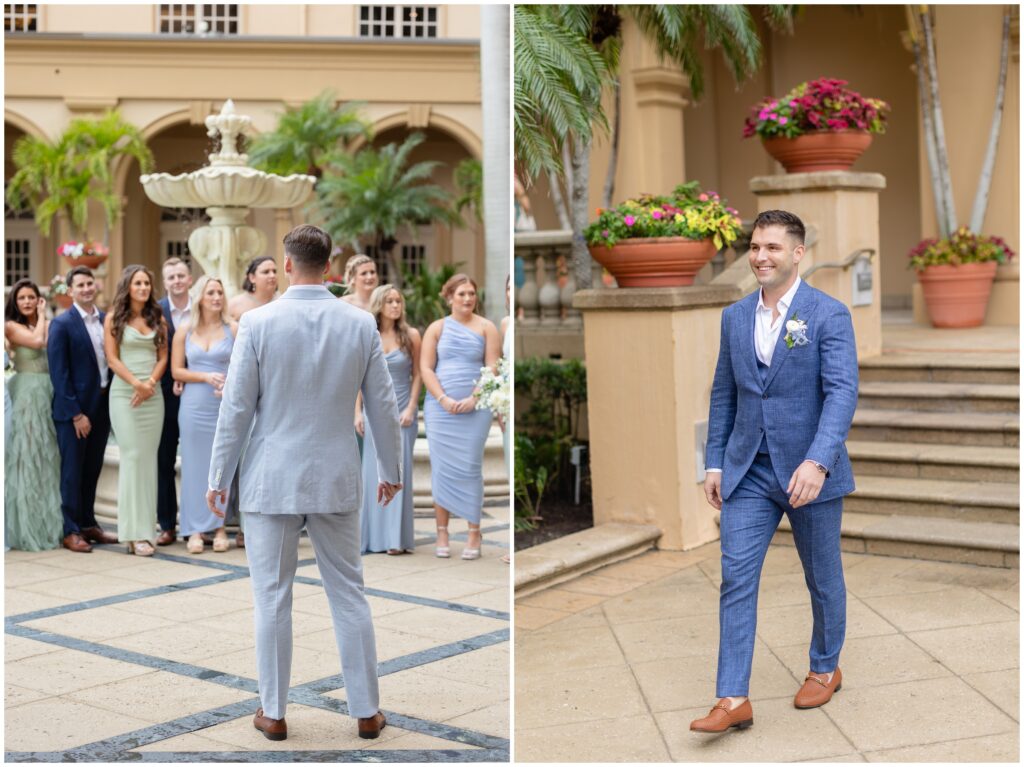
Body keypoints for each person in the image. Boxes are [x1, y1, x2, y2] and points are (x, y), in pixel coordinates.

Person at [206, 224, 402, 742]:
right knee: (350, 594)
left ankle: (273, 712)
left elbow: (236, 409)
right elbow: (383, 405)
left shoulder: (258, 322)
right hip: (336, 475)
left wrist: (217, 475)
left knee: (270, 596)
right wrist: (392, 470)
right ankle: (365, 711)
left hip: (272, 477)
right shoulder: (359, 324)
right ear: (330, 265)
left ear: (287, 265)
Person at [690, 210, 858, 734]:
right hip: (748, 471)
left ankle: (825, 666)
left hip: (809, 473)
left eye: (772, 248)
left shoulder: (827, 314)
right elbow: (724, 392)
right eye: (755, 246)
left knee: (821, 577)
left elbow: (841, 393)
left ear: (798, 253)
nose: (760, 256)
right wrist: (714, 461)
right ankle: (732, 697)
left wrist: (818, 461)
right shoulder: (735, 316)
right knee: (735, 578)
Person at [420, 274, 500, 560]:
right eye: (461, 294)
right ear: (450, 296)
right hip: (440, 409)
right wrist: (443, 398)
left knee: (470, 468)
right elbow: (426, 368)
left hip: (474, 408)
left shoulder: (487, 327)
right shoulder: (436, 328)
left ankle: (474, 533)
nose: (467, 299)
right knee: (440, 469)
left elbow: (492, 366)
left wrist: (475, 398)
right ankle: (442, 532)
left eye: (471, 293)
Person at [47, 266, 119, 553]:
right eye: (81, 284)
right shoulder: (62, 324)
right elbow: (59, 373)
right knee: (72, 471)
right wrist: (76, 414)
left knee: (93, 469)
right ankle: (71, 529)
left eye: (90, 283)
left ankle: (89, 523)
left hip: (102, 405)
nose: (87, 288)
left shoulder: (106, 320)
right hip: (75, 411)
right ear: (70, 290)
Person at [104, 265, 168, 557]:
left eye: (146, 282)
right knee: (130, 458)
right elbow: (112, 359)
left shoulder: (158, 319)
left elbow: (163, 356)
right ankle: (132, 532)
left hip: (153, 397)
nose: (143, 287)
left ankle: (146, 530)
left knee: (147, 460)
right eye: (137, 282)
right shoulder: (113, 318)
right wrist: (136, 385)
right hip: (125, 395)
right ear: (128, 286)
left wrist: (150, 383)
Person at [172, 275, 237, 554]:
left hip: (222, 406)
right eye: (210, 292)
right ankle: (194, 529)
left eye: (220, 292)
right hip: (193, 405)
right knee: (194, 467)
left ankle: (220, 527)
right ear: (200, 296)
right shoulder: (184, 330)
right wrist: (204, 376)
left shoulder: (233, 328)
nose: (216, 297)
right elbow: (176, 371)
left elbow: (242, 368)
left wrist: (229, 387)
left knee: (220, 465)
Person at [360, 284, 421, 555]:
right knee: (372, 473)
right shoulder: (367, 334)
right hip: (372, 412)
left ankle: (395, 538)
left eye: (398, 301)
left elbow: (418, 374)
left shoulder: (411, 335)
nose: (395, 306)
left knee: (397, 471)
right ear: (379, 305)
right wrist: (356, 413)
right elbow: (358, 376)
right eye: (389, 301)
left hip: (402, 414)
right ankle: (372, 538)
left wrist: (411, 408)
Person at [4, 279, 63, 551]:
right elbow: (38, 342)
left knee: (46, 458)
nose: (27, 302)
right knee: (26, 457)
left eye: (31, 297)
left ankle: (46, 522)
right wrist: (43, 316)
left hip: (47, 391)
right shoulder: (11, 326)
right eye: (22, 298)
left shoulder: (45, 323)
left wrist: (45, 318)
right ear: (15, 302)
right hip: (27, 391)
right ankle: (24, 527)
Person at [225, 255, 278, 548]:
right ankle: (239, 523)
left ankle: (258, 523)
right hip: (245, 388)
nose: (272, 275)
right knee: (243, 458)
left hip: (274, 389)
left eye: (274, 270)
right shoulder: (236, 306)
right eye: (265, 271)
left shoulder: (284, 303)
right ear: (251, 276)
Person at [156, 256, 193, 546]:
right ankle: (167, 524)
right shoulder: (155, 311)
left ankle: (198, 523)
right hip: (165, 395)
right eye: (171, 277)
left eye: (181, 275)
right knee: (164, 459)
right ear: (165, 281)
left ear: (189, 278)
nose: (177, 281)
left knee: (197, 460)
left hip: (198, 394)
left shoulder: (203, 308)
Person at [228, 256, 278, 320]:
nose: (272, 275)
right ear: (252, 278)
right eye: (266, 272)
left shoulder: (283, 302)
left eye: (274, 271)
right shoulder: (234, 305)